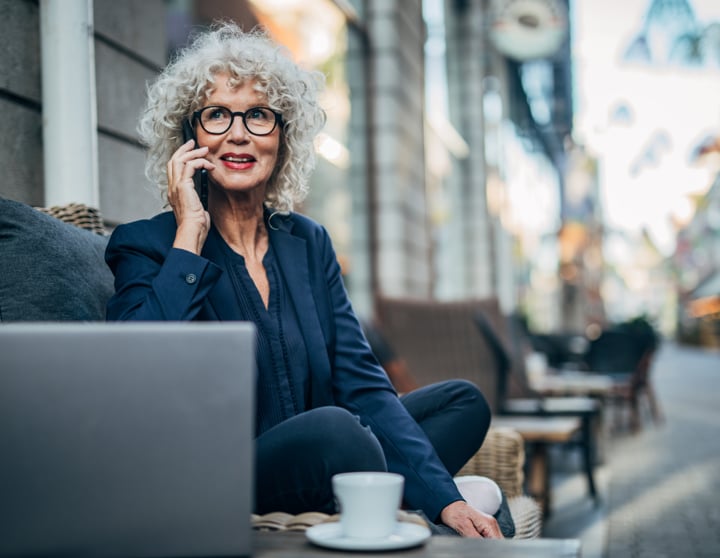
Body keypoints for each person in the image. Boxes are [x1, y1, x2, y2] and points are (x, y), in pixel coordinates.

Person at [105, 22, 502, 538]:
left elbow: (362, 380)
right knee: (340, 431)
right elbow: (134, 374)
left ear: (282, 139)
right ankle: (404, 494)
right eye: (218, 114)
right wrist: (190, 234)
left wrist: (448, 501)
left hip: (330, 450)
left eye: (259, 115)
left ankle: (424, 499)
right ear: (190, 137)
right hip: (223, 472)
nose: (239, 132)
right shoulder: (147, 243)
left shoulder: (308, 242)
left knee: (461, 402)